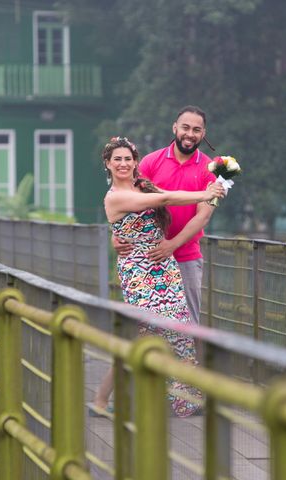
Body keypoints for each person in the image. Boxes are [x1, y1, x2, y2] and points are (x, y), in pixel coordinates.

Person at [92, 136, 224, 418]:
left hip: (165, 267)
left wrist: (212, 193)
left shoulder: (141, 185)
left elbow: (168, 201)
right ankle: (104, 399)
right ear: (108, 164)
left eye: (128, 159)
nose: (123, 164)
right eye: (117, 159)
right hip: (138, 273)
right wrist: (205, 193)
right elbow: (165, 198)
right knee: (143, 333)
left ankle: (183, 398)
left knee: (177, 330)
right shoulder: (115, 196)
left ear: (136, 161)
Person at [113, 106, 218, 326]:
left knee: (187, 325)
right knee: (146, 323)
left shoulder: (211, 169)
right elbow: (129, 203)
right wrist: (118, 235)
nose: (190, 134)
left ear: (203, 134)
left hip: (186, 257)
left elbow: (203, 216)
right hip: (148, 255)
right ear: (175, 128)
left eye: (196, 130)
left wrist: (171, 245)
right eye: (185, 128)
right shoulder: (151, 162)